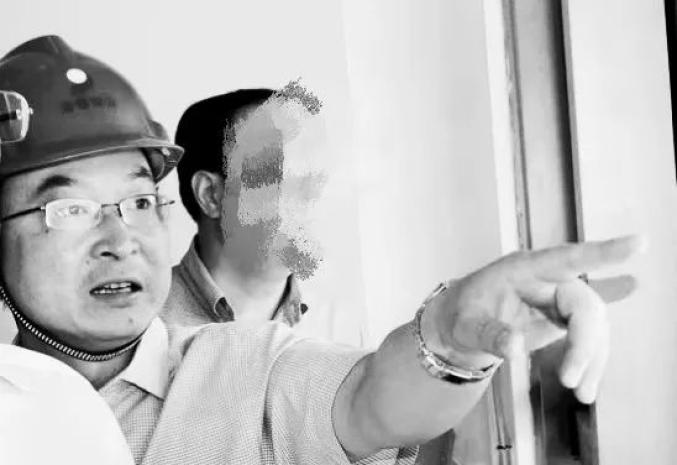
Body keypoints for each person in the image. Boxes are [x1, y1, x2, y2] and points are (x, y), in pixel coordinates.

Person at [0, 35, 641, 465]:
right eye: (70, 209)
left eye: (140, 202)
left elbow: (369, 398)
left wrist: (451, 341)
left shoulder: (252, 364)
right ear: (210, 194)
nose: (120, 240)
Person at [162, 87, 366, 345]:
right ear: (210, 194)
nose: (310, 196)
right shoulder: (140, 328)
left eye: (313, 176)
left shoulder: (345, 330)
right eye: (285, 177)